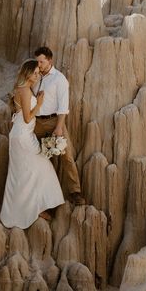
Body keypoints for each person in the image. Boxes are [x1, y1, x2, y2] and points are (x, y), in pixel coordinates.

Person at [0, 59, 65, 228]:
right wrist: (40, 103)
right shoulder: (25, 91)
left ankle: (31, 208)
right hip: (23, 137)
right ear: (27, 73)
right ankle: (32, 210)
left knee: (23, 174)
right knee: (38, 168)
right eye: (35, 73)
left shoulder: (21, 89)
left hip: (21, 134)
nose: (37, 76)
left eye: (38, 73)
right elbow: (28, 117)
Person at [33, 46, 85, 206]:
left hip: (53, 121)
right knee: (35, 157)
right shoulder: (34, 76)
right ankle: (40, 196)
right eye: (37, 61)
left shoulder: (59, 79)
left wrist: (59, 127)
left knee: (66, 156)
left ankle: (75, 192)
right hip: (36, 123)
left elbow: (63, 106)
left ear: (50, 61)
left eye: (41, 61)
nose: (39, 64)